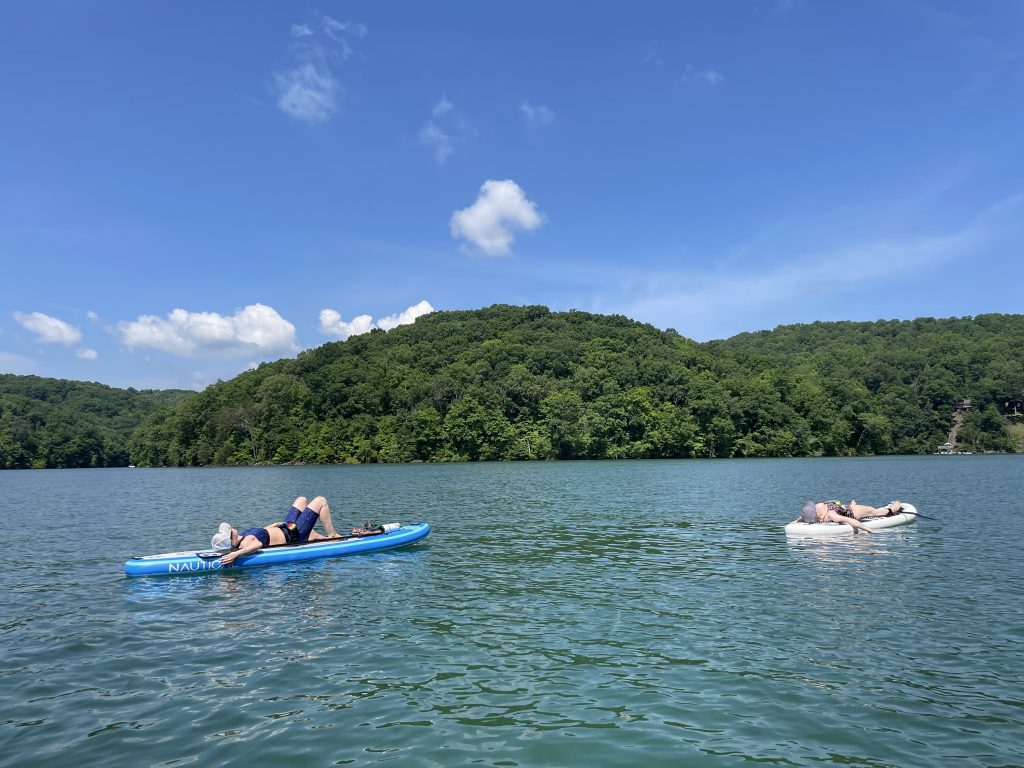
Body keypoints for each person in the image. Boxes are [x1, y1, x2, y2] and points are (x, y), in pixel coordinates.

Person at [214, 495, 344, 566]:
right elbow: (257, 544)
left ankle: (316, 536)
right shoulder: (245, 543)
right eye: (230, 531)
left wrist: (271, 526)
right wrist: (235, 554)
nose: (231, 528)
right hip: (295, 535)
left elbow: (261, 532)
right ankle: (332, 534)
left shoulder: (242, 536)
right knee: (321, 500)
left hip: (286, 527)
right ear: (232, 540)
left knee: (302, 499)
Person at [796, 499, 904, 533]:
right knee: (847, 508)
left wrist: (869, 530)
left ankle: (897, 503)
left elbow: (851, 521)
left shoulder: (830, 515)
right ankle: (852, 504)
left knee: (883, 512)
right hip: (844, 508)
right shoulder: (815, 507)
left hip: (859, 512)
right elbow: (800, 518)